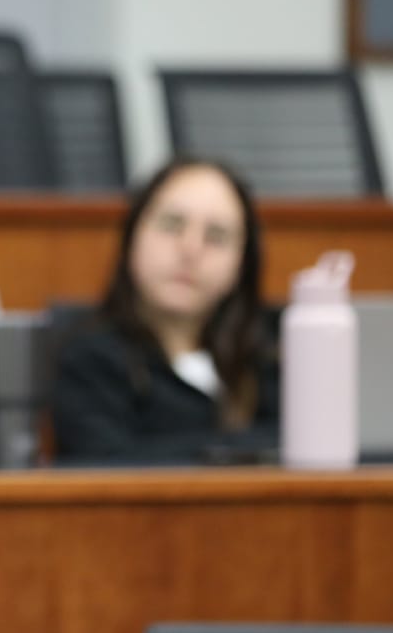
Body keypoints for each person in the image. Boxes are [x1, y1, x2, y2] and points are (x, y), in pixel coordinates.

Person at [50, 157, 278, 465]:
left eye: (216, 236)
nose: (191, 249)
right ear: (131, 238)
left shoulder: (272, 353)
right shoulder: (89, 359)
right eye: (172, 225)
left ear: (242, 265)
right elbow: (106, 469)